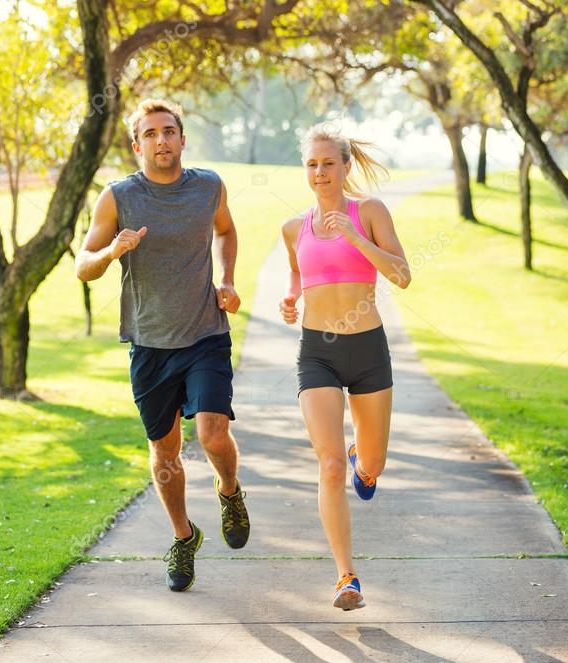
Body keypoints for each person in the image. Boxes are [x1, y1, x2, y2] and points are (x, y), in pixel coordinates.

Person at [75, 99, 250, 592]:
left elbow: (227, 229)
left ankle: (229, 491)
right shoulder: (117, 198)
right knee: (165, 452)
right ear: (137, 145)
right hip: (150, 343)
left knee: (214, 434)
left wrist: (229, 279)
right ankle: (183, 537)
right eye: (150, 134)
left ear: (182, 139)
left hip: (205, 334)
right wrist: (113, 250)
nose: (161, 140)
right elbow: (82, 264)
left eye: (169, 131)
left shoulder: (208, 186)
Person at [278, 124, 411, 610]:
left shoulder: (369, 212)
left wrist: (356, 237)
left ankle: (365, 462)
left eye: (328, 163)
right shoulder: (294, 227)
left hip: (368, 351)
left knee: (368, 465)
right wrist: (291, 301)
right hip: (317, 353)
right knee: (329, 465)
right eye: (311, 164)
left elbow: (402, 275)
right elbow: (299, 278)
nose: (319, 172)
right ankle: (346, 577)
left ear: (345, 165)